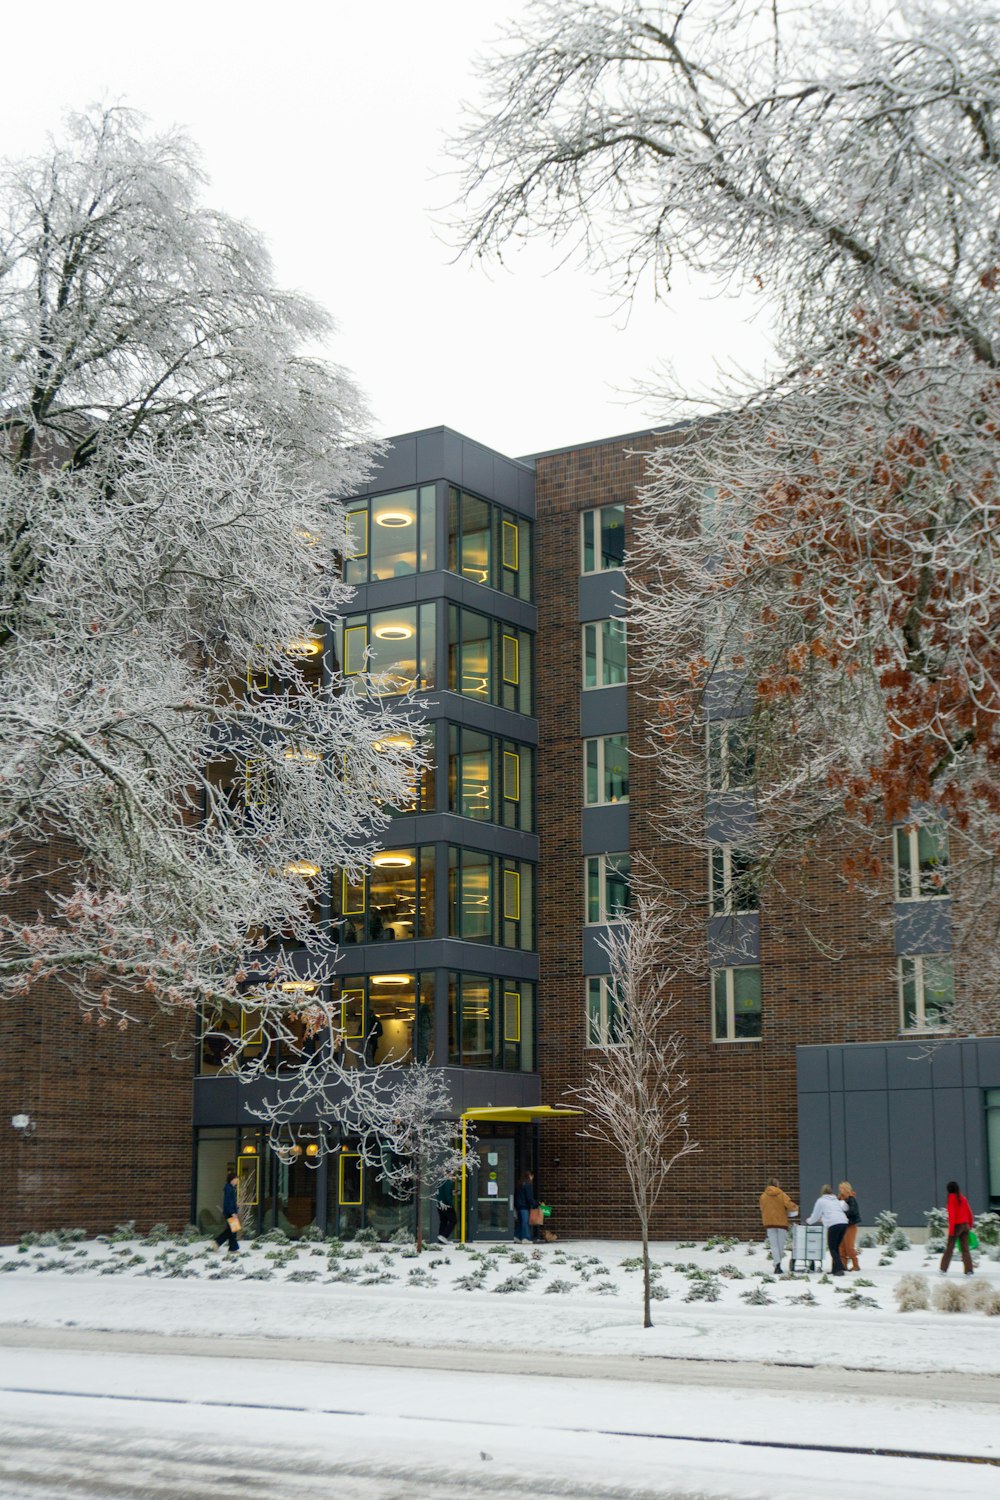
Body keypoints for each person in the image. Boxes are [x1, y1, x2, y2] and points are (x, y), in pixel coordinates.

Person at [806, 1183, 849, 1274]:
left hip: (834, 1224)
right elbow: (846, 1208)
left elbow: (815, 1215)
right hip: (844, 1223)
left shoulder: (821, 1201)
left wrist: (808, 1221)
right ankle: (835, 1269)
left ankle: (840, 1268)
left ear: (822, 1192)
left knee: (832, 1247)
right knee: (836, 1247)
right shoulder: (836, 1200)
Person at [758, 1178, 798, 1274]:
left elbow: (762, 1208)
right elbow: (789, 1205)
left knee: (774, 1245)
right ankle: (778, 1265)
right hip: (781, 1222)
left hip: (769, 1223)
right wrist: (795, 1208)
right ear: (777, 1184)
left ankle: (777, 1265)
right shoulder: (782, 1194)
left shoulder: (763, 1196)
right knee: (780, 1245)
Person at [940, 1180, 975, 1275]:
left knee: (949, 1248)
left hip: (956, 1226)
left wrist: (951, 1231)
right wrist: (970, 1224)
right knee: (965, 1249)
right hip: (965, 1225)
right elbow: (969, 1212)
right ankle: (969, 1270)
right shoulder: (963, 1198)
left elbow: (952, 1216)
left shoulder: (951, 1199)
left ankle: (943, 1269)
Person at [212, 1170, 240, 1254]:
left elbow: (231, 1201)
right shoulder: (229, 1189)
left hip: (230, 1212)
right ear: (232, 1179)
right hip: (230, 1212)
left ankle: (219, 1243)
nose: (237, 1181)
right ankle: (230, 1247)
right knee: (232, 1230)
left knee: (232, 1230)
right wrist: (233, 1212)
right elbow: (228, 1202)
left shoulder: (230, 1188)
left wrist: (236, 1207)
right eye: (236, 1179)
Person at [838, 1181, 861, 1271]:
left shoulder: (851, 1199)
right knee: (841, 1246)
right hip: (842, 1224)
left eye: (841, 1188)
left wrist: (842, 1213)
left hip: (850, 1225)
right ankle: (843, 1265)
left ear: (846, 1189)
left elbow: (853, 1211)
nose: (840, 1190)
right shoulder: (839, 1199)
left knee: (849, 1246)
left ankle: (856, 1264)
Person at [514, 1170, 537, 1242]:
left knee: (521, 1222)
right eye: (532, 1176)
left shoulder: (520, 1183)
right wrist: (535, 1204)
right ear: (530, 1176)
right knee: (525, 1222)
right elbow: (529, 1197)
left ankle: (516, 1236)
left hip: (518, 1205)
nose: (532, 1178)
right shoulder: (527, 1184)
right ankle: (526, 1238)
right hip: (524, 1206)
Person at [436, 1177, 456, 1243]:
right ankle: (444, 1236)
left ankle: (441, 1239)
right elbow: (447, 1195)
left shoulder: (440, 1181)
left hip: (439, 1204)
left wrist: (451, 1192)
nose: (453, 1176)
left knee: (443, 1221)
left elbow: (441, 1193)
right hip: (446, 1205)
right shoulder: (447, 1182)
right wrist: (451, 1204)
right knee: (453, 1220)